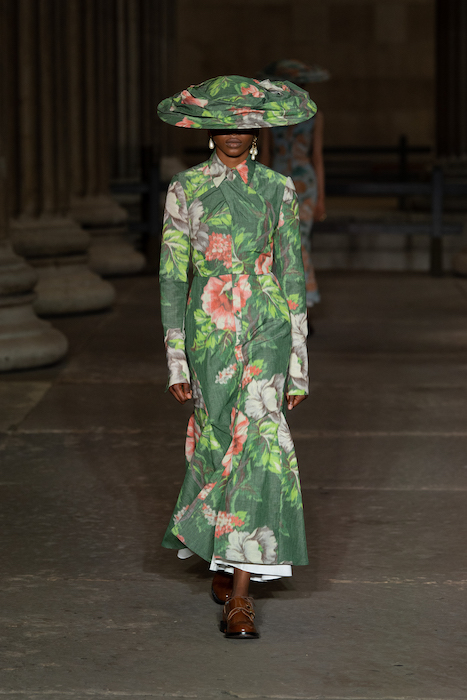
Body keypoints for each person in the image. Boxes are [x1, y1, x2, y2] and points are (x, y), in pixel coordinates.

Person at [157, 75, 316, 639]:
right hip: (209, 330)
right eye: (223, 123)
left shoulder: (278, 188)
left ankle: (242, 596)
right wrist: (177, 358)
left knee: (260, 445)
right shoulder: (185, 189)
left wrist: (298, 362)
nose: (233, 133)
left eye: (244, 125)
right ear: (208, 130)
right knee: (218, 441)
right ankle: (223, 558)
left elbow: (292, 273)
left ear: (258, 132)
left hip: (267, 326)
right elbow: (172, 276)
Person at [259, 60, 330, 332]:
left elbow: (317, 157)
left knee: (300, 244)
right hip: (276, 183)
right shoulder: (268, 116)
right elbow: (265, 155)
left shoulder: (314, 115)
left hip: (305, 186)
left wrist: (321, 198)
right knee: (278, 245)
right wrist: (259, 192)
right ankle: (283, 309)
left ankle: (303, 309)